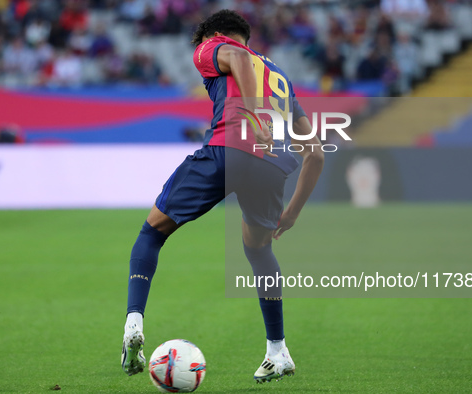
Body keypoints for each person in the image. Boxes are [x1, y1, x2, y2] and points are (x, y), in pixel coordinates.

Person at [121, 9, 324, 384]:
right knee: (260, 250)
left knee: (151, 233)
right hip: (271, 166)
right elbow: (315, 152)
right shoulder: (280, 77)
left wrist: (254, 115)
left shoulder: (212, 46)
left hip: (226, 150)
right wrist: (293, 212)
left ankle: (133, 322)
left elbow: (239, 58)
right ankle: (278, 351)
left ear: (213, 34)